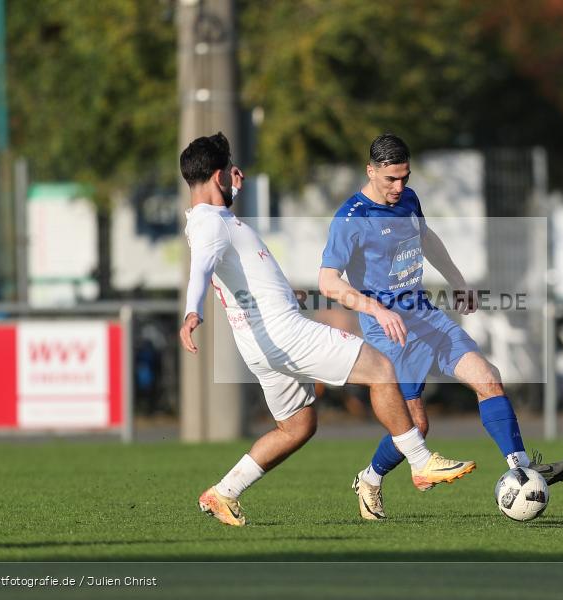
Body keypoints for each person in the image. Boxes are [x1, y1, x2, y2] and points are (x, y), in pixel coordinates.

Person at [179, 132, 475, 526]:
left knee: (298, 426)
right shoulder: (209, 226)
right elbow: (200, 268)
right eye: (231, 169)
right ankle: (421, 463)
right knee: (381, 368)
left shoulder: (218, 219)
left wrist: (286, 292)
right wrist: (191, 312)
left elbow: (238, 271)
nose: (238, 174)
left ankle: (224, 492)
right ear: (219, 176)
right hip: (286, 334)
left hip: (261, 342)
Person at [319, 133, 563, 520]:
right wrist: (377, 310)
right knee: (417, 426)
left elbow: (425, 238)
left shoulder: (408, 199)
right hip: (389, 331)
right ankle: (370, 479)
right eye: (391, 179)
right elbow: (328, 282)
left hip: (426, 316)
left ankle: (521, 467)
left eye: (405, 177)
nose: (399, 186)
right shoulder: (350, 219)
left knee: (488, 377)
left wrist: (458, 280)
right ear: (370, 171)